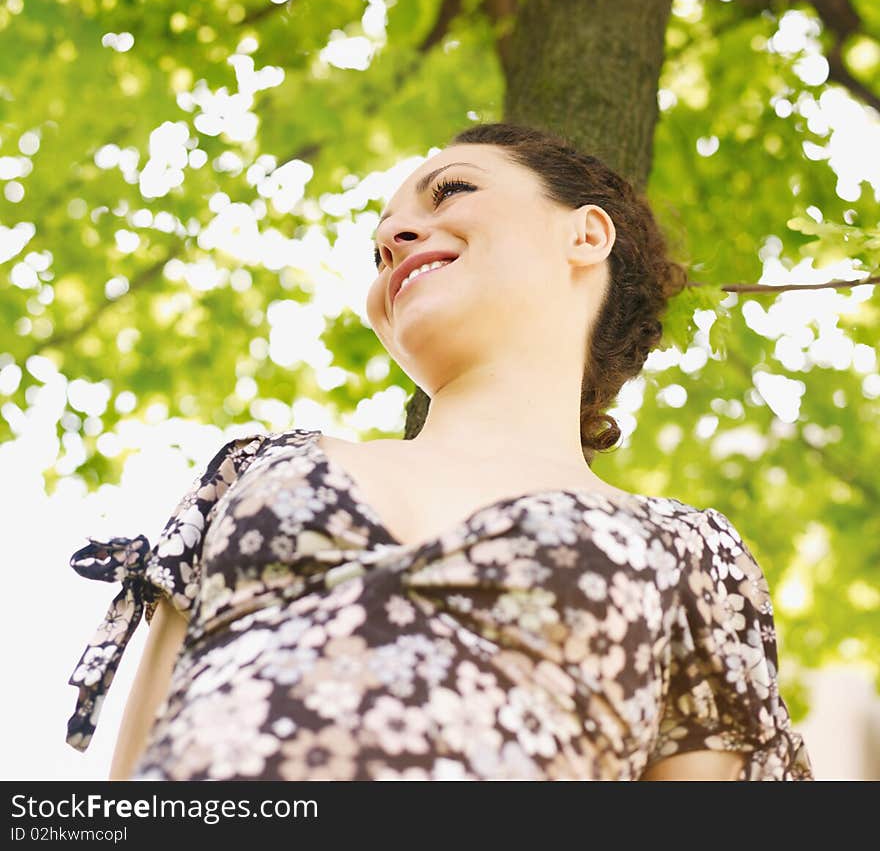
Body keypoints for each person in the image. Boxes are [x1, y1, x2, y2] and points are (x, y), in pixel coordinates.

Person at [65, 121, 815, 781]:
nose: (393, 238)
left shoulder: (692, 553)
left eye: (449, 191)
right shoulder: (250, 472)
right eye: (379, 239)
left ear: (585, 235)